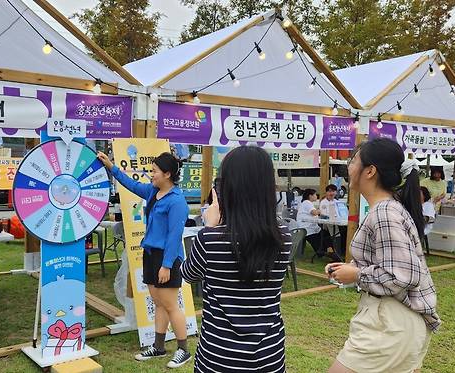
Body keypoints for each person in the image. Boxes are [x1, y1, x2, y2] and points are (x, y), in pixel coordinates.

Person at [326, 138, 440, 373]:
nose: (349, 166)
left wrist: (357, 274)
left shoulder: (385, 213)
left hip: (389, 324)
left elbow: (403, 276)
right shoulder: (388, 208)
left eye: (353, 160)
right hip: (394, 320)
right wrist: (350, 270)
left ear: (370, 171)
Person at [181, 146, 288, 372]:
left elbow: (188, 274)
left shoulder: (209, 239)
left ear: (226, 188)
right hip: (269, 355)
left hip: (219, 356)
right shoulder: (283, 236)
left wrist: (209, 225)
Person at [97, 151, 192, 369]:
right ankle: (158, 346)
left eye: (154, 171)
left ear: (167, 174)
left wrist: (167, 265)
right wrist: (111, 167)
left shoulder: (177, 202)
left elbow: (174, 236)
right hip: (150, 254)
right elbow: (131, 184)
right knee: (158, 302)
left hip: (166, 257)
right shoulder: (153, 192)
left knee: (170, 305)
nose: (150, 175)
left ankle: (183, 349)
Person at [296, 188, 339, 261]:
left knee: (325, 234)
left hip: (311, 228)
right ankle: (330, 253)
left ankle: (329, 252)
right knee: (325, 236)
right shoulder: (307, 202)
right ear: (310, 196)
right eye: (315, 194)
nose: (316, 196)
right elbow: (314, 212)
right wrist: (322, 209)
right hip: (308, 229)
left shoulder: (306, 203)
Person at [320, 184, 347, 256]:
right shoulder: (323, 202)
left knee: (347, 229)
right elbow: (324, 214)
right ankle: (338, 254)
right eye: (329, 191)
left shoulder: (337, 202)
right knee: (336, 233)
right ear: (326, 192)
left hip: (339, 221)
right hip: (328, 223)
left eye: (333, 191)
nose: (331, 193)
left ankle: (344, 252)